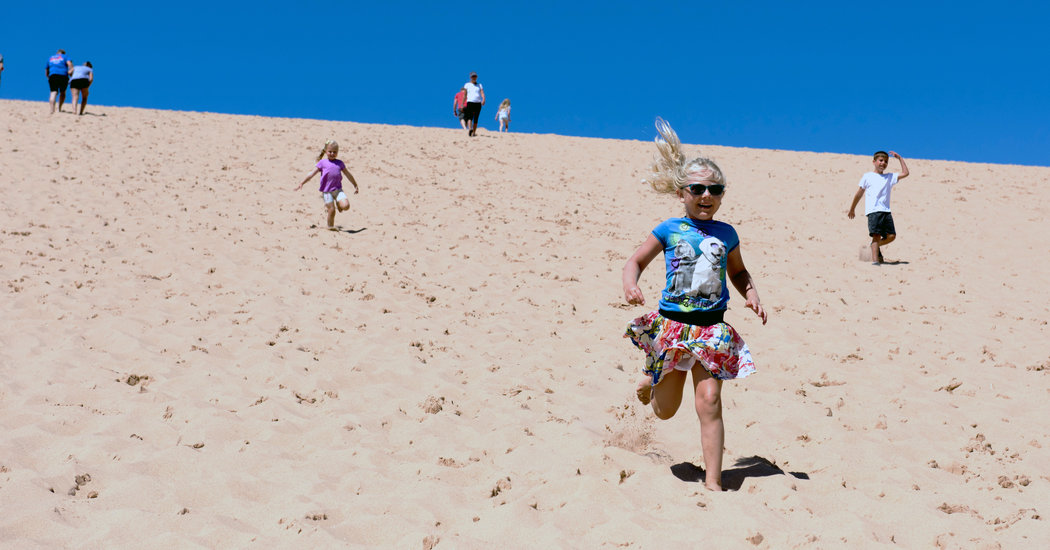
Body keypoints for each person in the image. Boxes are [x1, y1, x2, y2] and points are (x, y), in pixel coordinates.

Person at [622, 118, 767, 492]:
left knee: (709, 400)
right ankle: (650, 379)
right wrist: (630, 284)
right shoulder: (669, 228)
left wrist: (750, 293)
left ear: (721, 195)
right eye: (697, 188)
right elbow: (635, 261)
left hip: (712, 329)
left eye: (714, 189)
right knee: (666, 410)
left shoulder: (727, 233)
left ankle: (714, 482)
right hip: (673, 328)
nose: (706, 195)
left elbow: (738, 272)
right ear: (681, 192)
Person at [847, 150, 910, 265]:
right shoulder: (867, 176)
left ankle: (873, 246)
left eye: (886, 161)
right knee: (876, 235)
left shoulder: (890, 177)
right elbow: (859, 193)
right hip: (873, 211)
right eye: (881, 160)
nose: (883, 163)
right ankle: (875, 261)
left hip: (886, 211)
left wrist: (900, 158)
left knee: (891, 236)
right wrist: (852, 208)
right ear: (874, 162)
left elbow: (905, 173)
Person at [294, 140, 361, 230]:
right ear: (326, 151)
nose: (332, 153)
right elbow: (311, 174)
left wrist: (355, 184)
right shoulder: (322, 163)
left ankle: (338, 203)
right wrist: (302, 182)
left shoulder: (340, 163)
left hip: (338, 190)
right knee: (331, 210)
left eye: (335, 152)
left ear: (337, 152)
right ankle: (330, 227)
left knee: (346, 206)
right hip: (327, 192)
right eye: (330, 151)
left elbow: (348, 174)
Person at [46, 49, 73, 114]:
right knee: (63, 92)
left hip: (52, 75)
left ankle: (52, 109)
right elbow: (70, 64)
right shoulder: (65, 56)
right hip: (63, 75)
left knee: (53, 92)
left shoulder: (50, 58)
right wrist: (71, 73)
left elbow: (47, 69)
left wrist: (48, 76)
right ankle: (59, 108)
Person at [462, 71, 485, 136]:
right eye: (473, 76)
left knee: (476, 118)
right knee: (470, 116)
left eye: (475, 76)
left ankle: (474, 132)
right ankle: (470, 129)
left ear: (476, 77)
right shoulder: (467, 85)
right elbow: (465, 94)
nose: (474, 77)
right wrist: (463, 103)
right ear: (470, 77)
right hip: (470, 102)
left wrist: (483, 99)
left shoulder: (479, 85)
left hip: (478, 103)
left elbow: (482, 93)